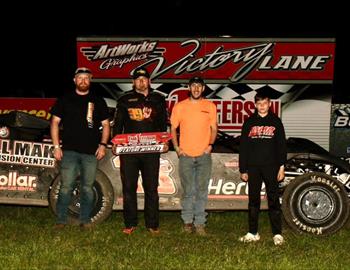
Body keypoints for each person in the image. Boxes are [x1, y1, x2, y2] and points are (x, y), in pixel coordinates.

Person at [50, 67, 110, 230]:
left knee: (87, 188)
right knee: (66, 186)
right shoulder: (65, 99)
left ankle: (85, 220)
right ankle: (61, 220)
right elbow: (54, 122)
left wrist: (103, 145)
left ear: (90, 80)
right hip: (69, 151)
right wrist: (56, 146)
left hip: (90, 153)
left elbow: (105, 125)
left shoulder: (98, 101)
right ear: (74, 80)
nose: (83, 81)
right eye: (80, 78)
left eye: (86, 78)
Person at [113, 67, 168, 235]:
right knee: (129, 187)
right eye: (138, 79)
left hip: (151, 151)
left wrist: (164, 142)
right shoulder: (124, 99)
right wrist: (115, 143)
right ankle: (130, 223)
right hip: (129, 152)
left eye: (144, 79)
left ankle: (152, 224)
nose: (141, 81)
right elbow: (118, 123)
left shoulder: (158, 99)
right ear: (133, 82)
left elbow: (162, 124)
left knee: (151, 187)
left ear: (149, 81)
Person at [170, 76, 217, 235]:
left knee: (202, 190)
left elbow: (214, 128)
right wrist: (177, 148)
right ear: (189, 88)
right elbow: (173, 128)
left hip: (204, 155)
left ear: (203, 88)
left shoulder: (210, 106)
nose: (196, 89)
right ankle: (187, 222)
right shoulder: (180, 107)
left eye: (199, 86)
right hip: (186, 155)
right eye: (193, 86)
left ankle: (200, 224)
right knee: (188, 190)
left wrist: (210, 145)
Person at [238, 92, 287, 245]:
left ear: (269, 104)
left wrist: (281, 167)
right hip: (253, 167)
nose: (262, 106)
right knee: (253, 201)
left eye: (264, 103)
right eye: (259, 103)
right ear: (255, 105)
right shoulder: (249, 122)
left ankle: (277, 233)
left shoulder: (276, 122)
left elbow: (281, 146)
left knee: (273, 200)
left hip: (271, 167)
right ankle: (253, 232)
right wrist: (243, 169)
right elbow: (244, 147)